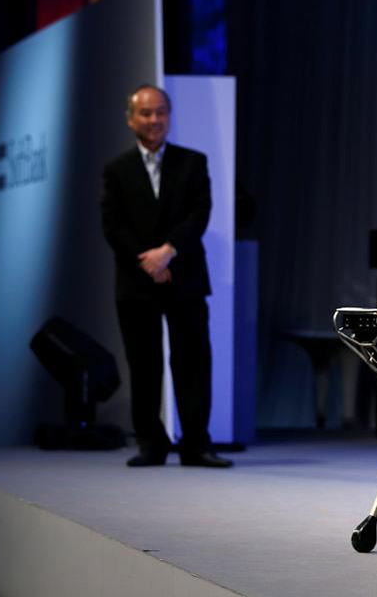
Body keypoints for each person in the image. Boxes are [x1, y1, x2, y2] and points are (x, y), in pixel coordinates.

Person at [101, 84, 231, 468]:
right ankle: (150, 443)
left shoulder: (193, 162)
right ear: (131, 120)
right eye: (146, 113)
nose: (155, 120)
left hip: (185, 274)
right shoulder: (116, 170)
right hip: (136, 280)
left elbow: (199, 213)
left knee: (193, 361)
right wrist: (148, 261)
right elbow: (112, 225)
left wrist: (168, 252)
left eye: (160, 112)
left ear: (169, 117)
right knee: (143, 363)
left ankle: (196, 445)